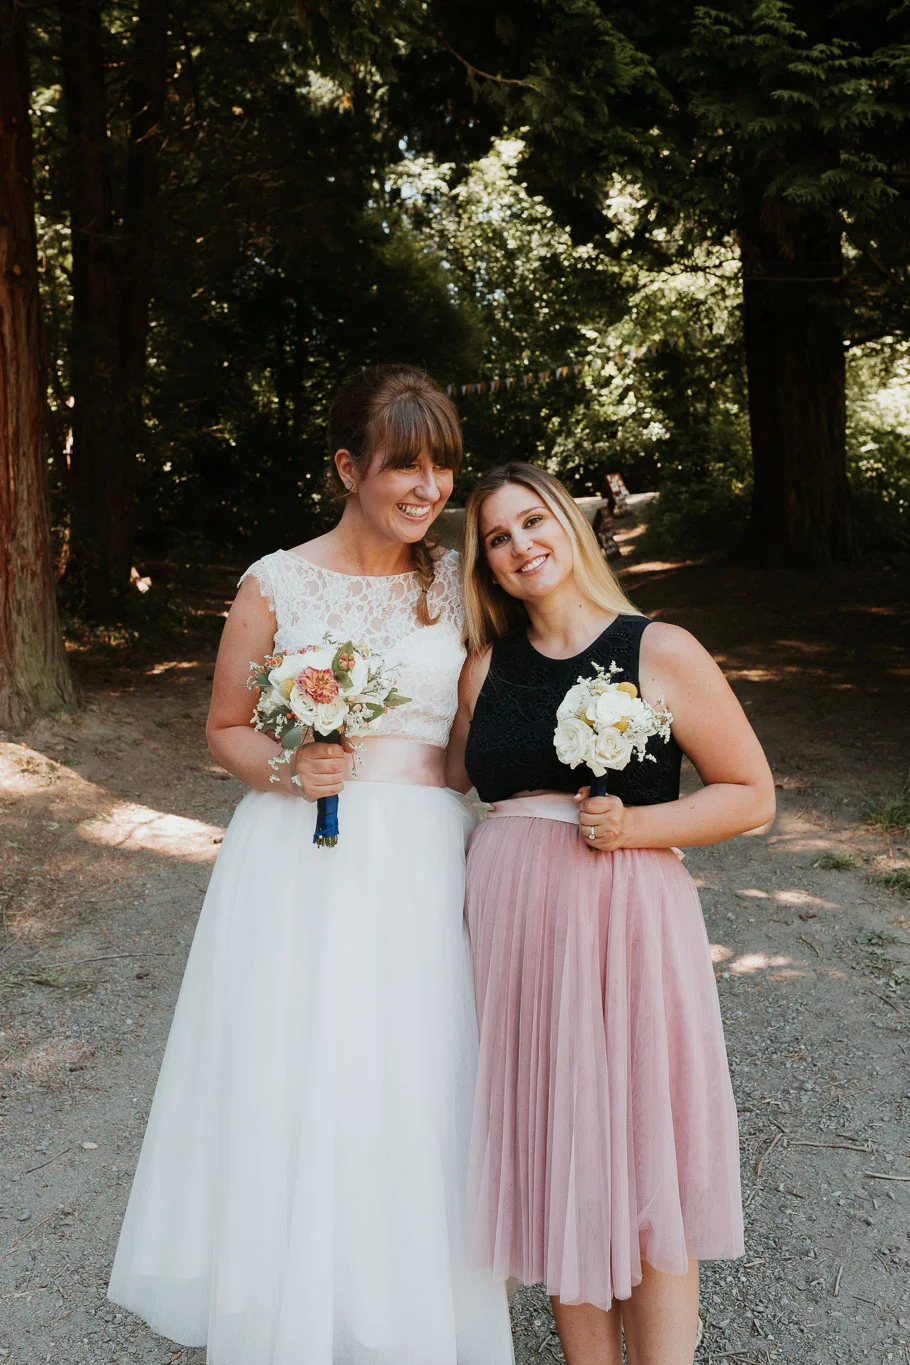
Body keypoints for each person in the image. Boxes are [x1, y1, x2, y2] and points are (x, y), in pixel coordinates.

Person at [108, 366, 515, 1365]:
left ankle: (401, 1310)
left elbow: (474, 741)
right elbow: (226, 727)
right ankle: (285, 1304)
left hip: (422, 859)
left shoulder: (457, 580)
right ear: (347, 467)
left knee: (412, 1075)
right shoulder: (275, 582)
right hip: (296, 853)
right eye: (404, 468)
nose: (427, 490)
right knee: (294, 1069)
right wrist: (291, 765)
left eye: (442, 469)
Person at [446, 462, 775, 1365]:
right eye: (497, 538)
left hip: (627, 912)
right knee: (557, 1148)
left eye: (532, 521)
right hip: (514, 926)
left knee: (641, 1149)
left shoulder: (658, 647)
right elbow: (438, 779)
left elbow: (751, 794)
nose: (520, 546)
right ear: (484, 564)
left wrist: (637, 823)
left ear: (572, 524)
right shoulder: (484, 664)